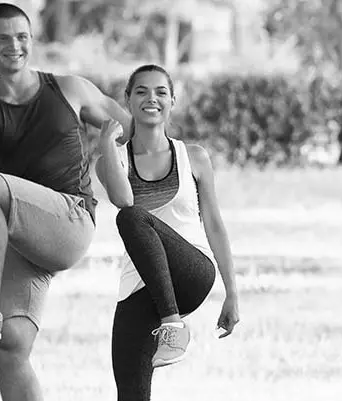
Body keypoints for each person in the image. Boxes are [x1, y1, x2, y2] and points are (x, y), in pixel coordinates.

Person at [0, 3, 134, 400]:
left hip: (68, 221)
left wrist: (109, 156)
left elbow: (132, 129)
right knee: (10, 349)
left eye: (21, 36)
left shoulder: (68, 89)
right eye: (2, 39)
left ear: (32, 39)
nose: (14, 46)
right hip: (17, 239)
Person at [110, 64, 241, 401]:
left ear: (172, 101)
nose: (151, 98)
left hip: (191, 272)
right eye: (141, 91)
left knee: (132, 218)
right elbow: (122, 199)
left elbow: (214, 224)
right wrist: (107, 146)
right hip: (140, 286)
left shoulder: (193, 157)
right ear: (128, 99)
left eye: (161, 92)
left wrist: (232, 293)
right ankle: (170, 324)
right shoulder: (114, 160)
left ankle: (173, 324)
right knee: (130, 393)